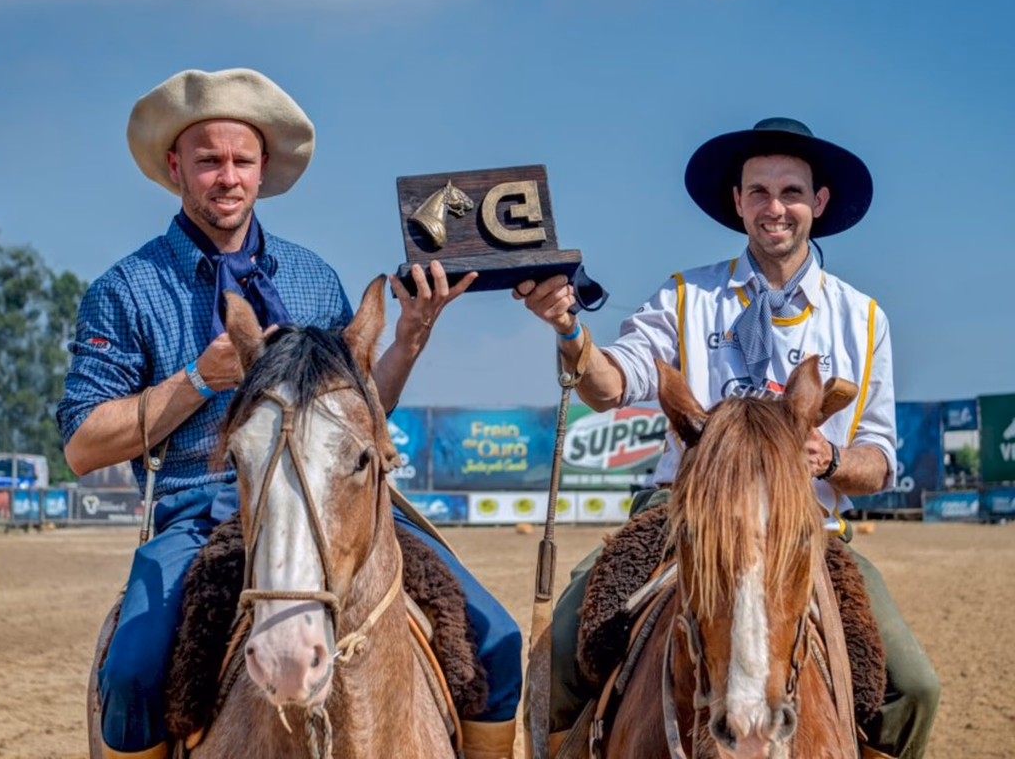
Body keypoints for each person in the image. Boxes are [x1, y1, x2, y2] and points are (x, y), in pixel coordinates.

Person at [58, 68, 520, 759]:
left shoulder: (313, 278)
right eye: (209, 160)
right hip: (202, 513)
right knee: (131, 673)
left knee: (498, 641)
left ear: (263, 168)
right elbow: (83, 446)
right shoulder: (126, 290)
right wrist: (197, 379)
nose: (227, 177)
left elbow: (360, 421)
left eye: (242, 160)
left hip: (342, 502)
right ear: (175, 165)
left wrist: (409, 339)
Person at [514, 117, 940, 759]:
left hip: (806, 530)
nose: (776, 208)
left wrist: (826, 458)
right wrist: (571, 331)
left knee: (915, 688)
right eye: (760, 192)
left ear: (818, 204)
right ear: (738, 203)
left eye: (792, 192)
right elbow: (612, 383)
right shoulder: (686, 296)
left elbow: (876, 463)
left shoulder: (863, 317)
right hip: (682, 518)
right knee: (560, 656)